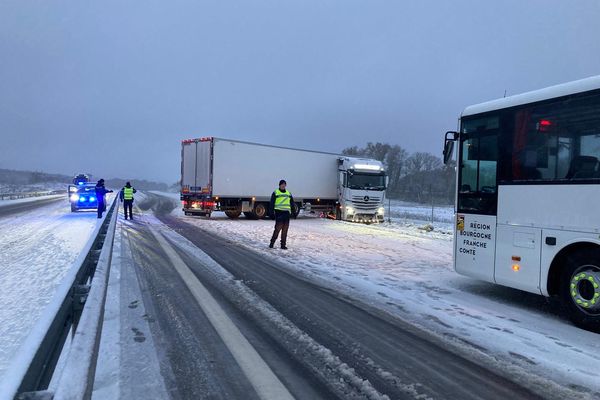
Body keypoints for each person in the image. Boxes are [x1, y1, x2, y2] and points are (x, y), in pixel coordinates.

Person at [269, 179, 296, 250]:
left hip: (287, 214)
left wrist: (294, 212)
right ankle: (272, 243)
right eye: (282, 184)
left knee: (285, 231)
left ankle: (283, 245)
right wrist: (271, 213)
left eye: (284, 184)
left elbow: (292, 204)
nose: (283, 185)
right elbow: (271, 204)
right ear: (279, 185)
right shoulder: (275, 193)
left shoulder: (288, 193)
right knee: (277, 229)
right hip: (279, 213)